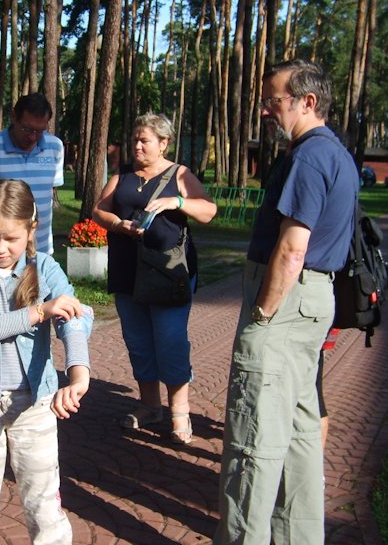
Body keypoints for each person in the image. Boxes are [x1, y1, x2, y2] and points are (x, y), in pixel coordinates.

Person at [214, 60, 359, 544]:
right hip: (313, 303)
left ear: (307, 102)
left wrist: (263, 311)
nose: (265, 110)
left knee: (252, 437)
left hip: (285, 302)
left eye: (274, 100)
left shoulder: (309, 157)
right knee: (298, 434)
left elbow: (293, 247)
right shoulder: (336, 153)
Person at [0, 179, 92, 544]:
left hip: (36, 405)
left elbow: (74, 318)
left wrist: (78, 376)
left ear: (31, 229)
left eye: (11, 238)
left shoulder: (45, 267)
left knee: (44, 504)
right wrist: (39, 311)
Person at [92, 113, 217, 444]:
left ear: (164, 143)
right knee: (138, 341)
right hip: (127, 273)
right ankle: (150, 406)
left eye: (144, 140)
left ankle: (180, 412)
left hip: (167, 274)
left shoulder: (180, 175)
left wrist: (177, 201)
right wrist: (118, 225)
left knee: (170, 340)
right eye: (135, 138)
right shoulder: (123, 177)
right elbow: (98, 211)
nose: (137, 145)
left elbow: (208, 210)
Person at [0, 93, 65, 254]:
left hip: (40, 249)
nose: (32, 137)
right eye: (27, 129)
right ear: (14, 117)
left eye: (39, 130)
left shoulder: (55, 147)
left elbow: (50, 190)